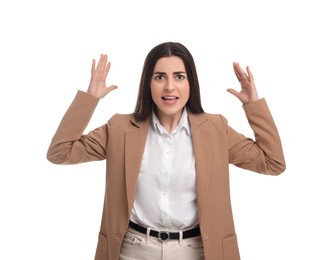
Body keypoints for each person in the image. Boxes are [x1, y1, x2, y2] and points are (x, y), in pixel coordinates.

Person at [47, 42, 286, 260]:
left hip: (197, 252)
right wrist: (90, 98)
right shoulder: (120, 128)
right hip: (133, 250)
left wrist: (252, 105)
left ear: (190, 82)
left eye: (179, 76)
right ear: (148, 84)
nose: (169, 86)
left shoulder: (215, 129)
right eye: (160, 77)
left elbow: (272, 162)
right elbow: (60, 152)